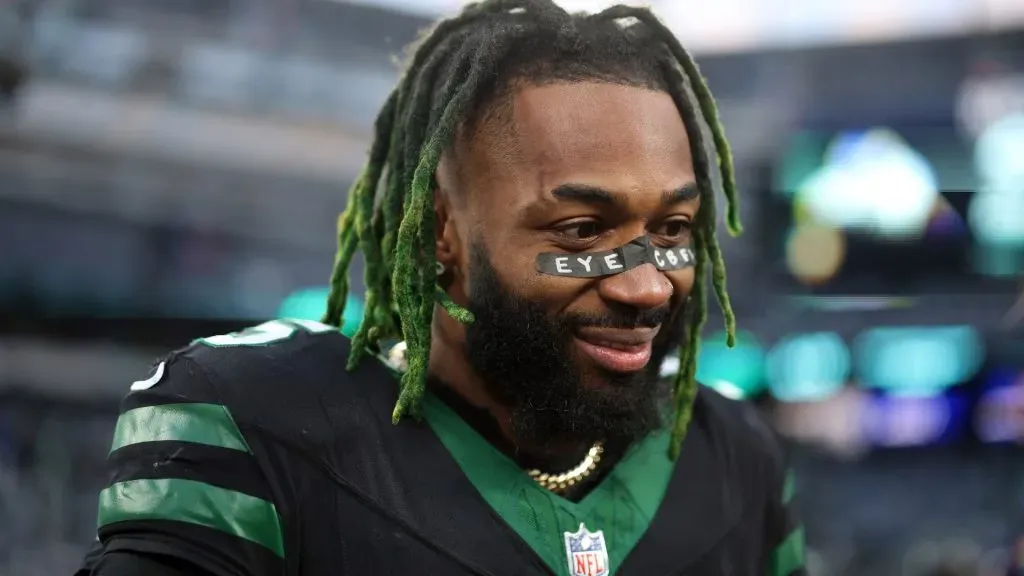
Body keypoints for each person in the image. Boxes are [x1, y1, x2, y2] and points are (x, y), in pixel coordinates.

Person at [77, 1, 805, 574]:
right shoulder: (254, 426)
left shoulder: (735, 458)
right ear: (439, 236)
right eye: (582, 232)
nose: (646, 286)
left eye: (673, 228)